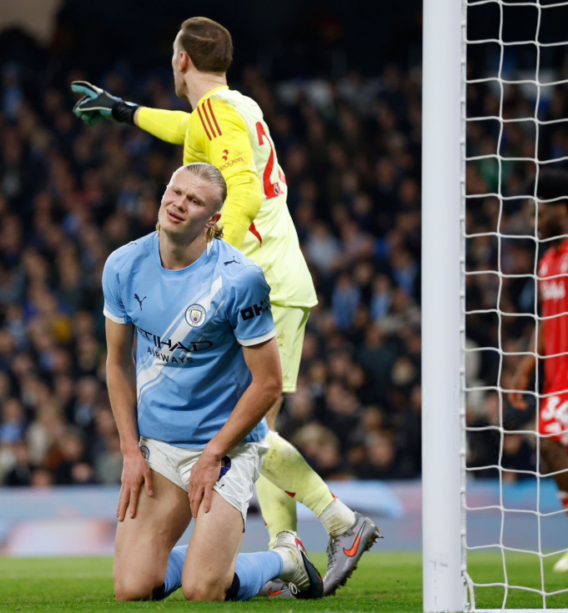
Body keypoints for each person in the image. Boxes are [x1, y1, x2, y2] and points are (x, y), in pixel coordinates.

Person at [73, 16, 378, 595]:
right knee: (258, 431)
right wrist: (124, 111)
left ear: (180, 59)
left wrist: (215, 268)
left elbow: (242, 186)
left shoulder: (218, 116)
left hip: (256, 281)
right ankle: (287, 554)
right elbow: (185, 129)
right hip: (282, 276)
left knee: (251, 432)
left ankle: (341, 521)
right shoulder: (233, 107)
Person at [104, 162, 323, 601]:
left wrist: (216, 452)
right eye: (176, 192)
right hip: (160, 445)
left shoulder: (239, 280)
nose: (179, 204)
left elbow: (268, 384)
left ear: (214, 219)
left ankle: (287, 559)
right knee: (132, 588)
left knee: (203, 590)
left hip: (226, 445)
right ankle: (216, 561)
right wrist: (130, 449)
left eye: (195, 201)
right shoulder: (123, 264)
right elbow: (117, 362)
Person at [509, 170, 568, 573]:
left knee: (550, 446)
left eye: (539, 212)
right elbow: (546, 322)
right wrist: (527, 365)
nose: (536, 220)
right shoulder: (548, 262)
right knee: (549, 449)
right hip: (556, 381)